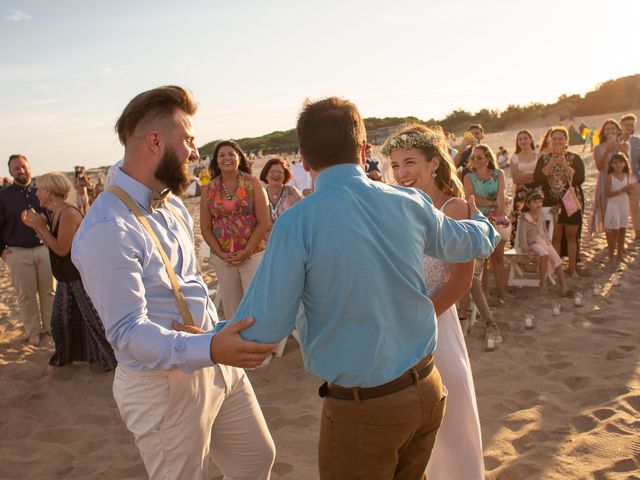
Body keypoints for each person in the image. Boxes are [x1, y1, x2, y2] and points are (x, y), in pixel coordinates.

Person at [213, 97, 499, 480]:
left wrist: (199, 341)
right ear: (363, 150)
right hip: (427, 390)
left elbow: (261, 329)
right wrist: (482, 219)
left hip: (366, 409)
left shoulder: (298, 223)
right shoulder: (409, 201)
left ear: (305, 160)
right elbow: (472, 241)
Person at [71, 86, 276, 480]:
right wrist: (212, 345)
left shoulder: (173, 204)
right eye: (189, 140)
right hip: (162, 387)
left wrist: (214, 339)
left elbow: (191, 283)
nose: (196, 153)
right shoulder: (106, 227)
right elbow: (128, 333)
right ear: (155, 141)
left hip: (214, 359)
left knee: (255, 458)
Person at [387, 124, 484, 480]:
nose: (401, 173)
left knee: (452, 426)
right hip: (401, 331)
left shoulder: (455, 208)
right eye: (396, 165)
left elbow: (460, 282)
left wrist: (416, 320)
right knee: (413, 437)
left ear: (433, 163)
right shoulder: (400, 209)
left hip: (437, 326)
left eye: (409, 162)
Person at [21, 172, 116, 373]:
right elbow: (52, 247)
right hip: (67, 278)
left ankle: (111, 361)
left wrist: (40, 227)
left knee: (93, 323)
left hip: (80, 279)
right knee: (63, 322)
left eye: (39, 189)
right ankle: (73, 358)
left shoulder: (68, 213)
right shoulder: (55, 213)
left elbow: (61, 249)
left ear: (49, 191)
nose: (36, 193)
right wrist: (38, 227)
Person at [201, 140, 270, 320]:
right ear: (216, 161)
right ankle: (236, 347)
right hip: (223, 257)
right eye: (222, 155)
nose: (227, 158)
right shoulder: (209, 188)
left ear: (239, 158)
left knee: (255, 304)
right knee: (233, 309)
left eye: (231, 154)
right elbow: (205, 227)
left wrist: (246, 251)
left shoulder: (252, 183)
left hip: (253, 253)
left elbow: (264, 222)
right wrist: (221, 254)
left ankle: (258, 346)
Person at [0, 154, 55, 346]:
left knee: (49, 292)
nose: (21, 170)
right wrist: (3, 252)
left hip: (44, 249)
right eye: (16, 168)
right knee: (26, 295)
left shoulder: (42, 191)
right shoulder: (4, 195)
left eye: (23, 166)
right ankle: (33, 331)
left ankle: (50, 328)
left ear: (29, 166)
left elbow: (52, 217)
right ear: (10, 172)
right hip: (17, 252)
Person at [533, 126, 585, 277]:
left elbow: (580, 180)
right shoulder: (543, 159)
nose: (557, 141)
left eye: (561, 138)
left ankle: (573, 269)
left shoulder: (575, 158)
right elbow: (537, 179)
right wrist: (549, 165)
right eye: (554, 138)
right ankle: (557, 269)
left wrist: (565, 166)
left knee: (572, 237)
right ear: (550, 140)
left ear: (566, 140)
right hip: (552, 203)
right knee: (555, 237)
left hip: (570, 201)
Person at [464, 144, 510, 300]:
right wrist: (491, 204)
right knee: (484, 259)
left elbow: (501, 196)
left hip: (497, 218)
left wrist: (501, 210)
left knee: (498, 257)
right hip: (479, 220)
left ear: (488, 159)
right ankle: (484, 294)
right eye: (473, 157)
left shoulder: (498, 174)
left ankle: (502, 291)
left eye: (479, 157)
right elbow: (471, 199)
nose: (475, 160)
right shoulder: (469, 177)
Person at [515, 191, 571, 296]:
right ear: (528, 204)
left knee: (557, 259)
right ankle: (543, 283)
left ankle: (564, 285)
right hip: (532, 243)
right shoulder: (525, 218)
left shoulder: (541, 214)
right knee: (543, 254)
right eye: (535, 202)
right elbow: (522, 236)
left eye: (540, 202)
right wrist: (526, 249)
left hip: (543, 241)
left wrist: (548, 242)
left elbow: (544, 229)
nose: (538, 204)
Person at [590, 119, 627, 235]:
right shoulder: (598, 148)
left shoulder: (623, 145)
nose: (609, 131)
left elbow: (628, 164)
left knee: (622, 211)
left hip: (620, 181)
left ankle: (620, 243)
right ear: (603, 132)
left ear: (617, 130)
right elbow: (599, 167)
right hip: (604, 181)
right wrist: (607, 151)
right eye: (607, 129)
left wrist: (619, 148)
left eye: (612, 128)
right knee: (606, 211)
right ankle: (609, 242)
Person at [604, 153, 637, 262]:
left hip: (624, 204)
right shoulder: (610, 177)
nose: (618, 165)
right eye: (615, 163)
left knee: (623, 229)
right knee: (614, 231)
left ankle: (620, 254)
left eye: (621, 162)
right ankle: (611, 255)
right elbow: (607, 194)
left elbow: (629, 193)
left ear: (624, 163)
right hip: (613, 205)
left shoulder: (627, 176)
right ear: (612, 165)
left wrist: (629, 189)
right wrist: (622, 190)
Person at [510, 130, 539, 247]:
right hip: (521, 194)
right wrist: (531, 176)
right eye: (520, 139)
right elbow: (515, 179)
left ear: (531, 140)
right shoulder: (514, 158)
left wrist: (524, 176)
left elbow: (540, 177)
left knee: (536, 220)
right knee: (520, 220)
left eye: (525, 138)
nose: (523, 141)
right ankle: (519, 249)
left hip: (537, 192)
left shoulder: (538, 156)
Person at [259, 157, 303, 227]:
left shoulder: (291, 192)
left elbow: (304, 215)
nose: (276, 174)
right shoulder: (260, 194)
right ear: (265, 175)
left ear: (285, 175)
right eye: (272, 171)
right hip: (266, 237)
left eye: (280, 172)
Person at [619, 113, 640, 241]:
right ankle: (638, 231)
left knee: (635, 205)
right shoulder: (617, 141)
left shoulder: (637, 141)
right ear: (622, 126)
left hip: (636, 176)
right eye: (627, 125)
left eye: (632, 125)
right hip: (622, 179)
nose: (629, 127)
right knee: (633, 206)